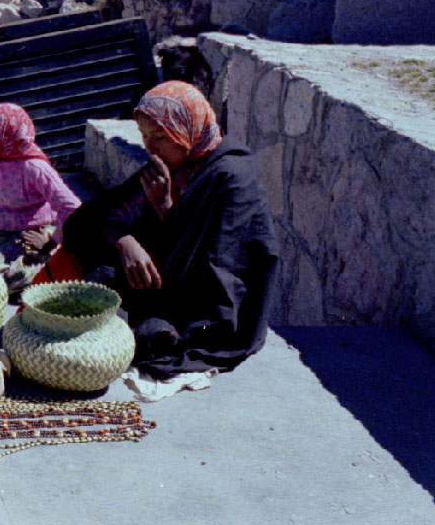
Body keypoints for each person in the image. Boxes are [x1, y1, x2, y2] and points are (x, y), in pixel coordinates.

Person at [56, 81, 279, 379]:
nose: (150, 147)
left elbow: (213, 262)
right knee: (91, 279)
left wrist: (163, 208)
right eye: (145, 136)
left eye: (160, 136)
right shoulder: (170, 167)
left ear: (187, 128)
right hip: (158, 282)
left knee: (150, 328)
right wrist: (126, 243)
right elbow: (105, 217)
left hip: (201, 299)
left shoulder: (231, 176)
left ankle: (156, 331)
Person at [0, 103, 82, 296]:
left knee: (10, 279)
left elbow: (71, 207)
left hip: (27, 239)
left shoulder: (33, 167)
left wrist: (51, 242)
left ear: (7, 134)